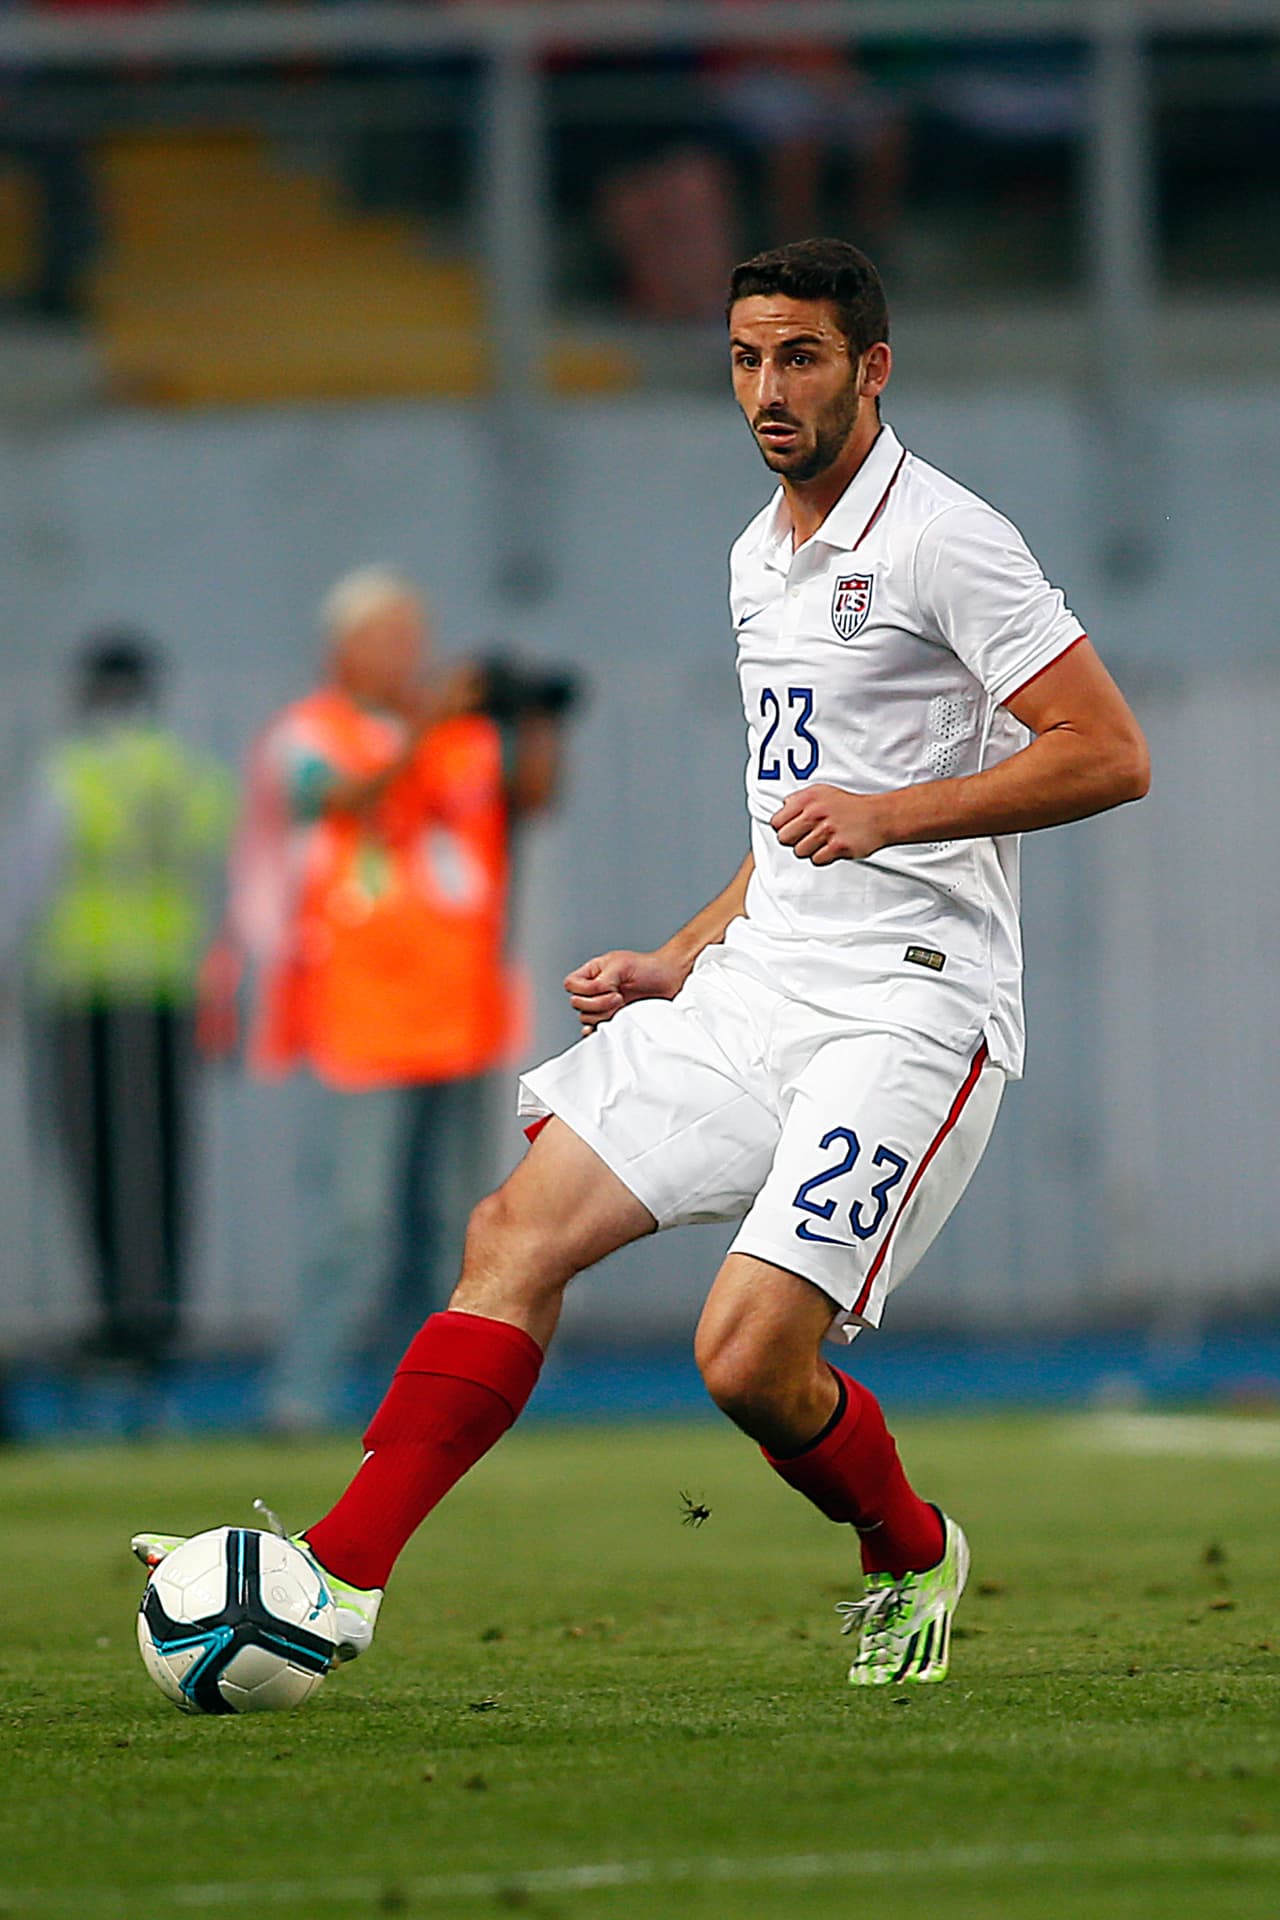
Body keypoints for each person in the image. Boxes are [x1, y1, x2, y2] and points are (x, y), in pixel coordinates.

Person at [136, 238, 1149, 1687]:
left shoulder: (947, 540)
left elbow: (1110, 752)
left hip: (914, 1002)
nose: (767, 389)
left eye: (799, 356)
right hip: (763, 985)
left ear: (871, 367)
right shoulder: (756, 557)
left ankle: (912, 1547)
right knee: (510, 1234)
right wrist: (686, 952)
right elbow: (791, 813)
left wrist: (894, 814)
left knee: (745, 1360)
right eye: (744, 358)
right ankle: (339, 1576)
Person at [207, 569, 566, 1432]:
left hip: (460, 1011)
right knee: (353, 1223)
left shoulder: (464, 735)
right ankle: (303, 1395)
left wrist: (543, 718)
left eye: (416, 635)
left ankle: (429, 1405)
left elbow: (534, 797)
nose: (412, 654)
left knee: (450, 1225)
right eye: (391, 638)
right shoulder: (309, 733)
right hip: (360, 1017)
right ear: (344, 649)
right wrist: (433, 722)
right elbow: (347, 797)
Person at [0, 631, 232, 1371]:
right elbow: (229, 883)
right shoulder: (188, 773)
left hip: (88, 992)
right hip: (169, 988)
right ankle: (161, 1308)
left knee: (98, 1159)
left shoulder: (71, 773)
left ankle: (117, 1312)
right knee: (165, 1157)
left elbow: (25, 885)